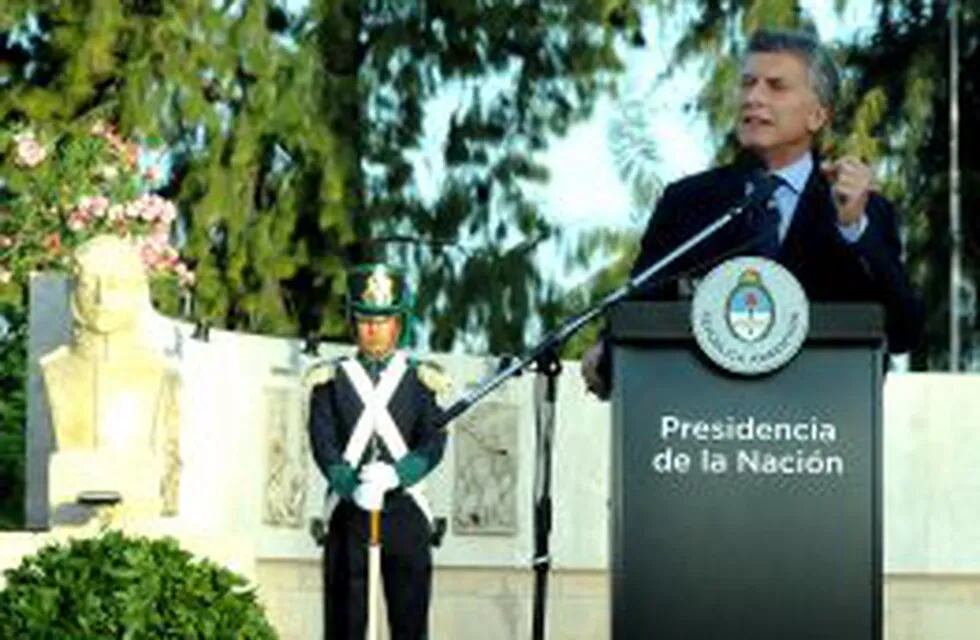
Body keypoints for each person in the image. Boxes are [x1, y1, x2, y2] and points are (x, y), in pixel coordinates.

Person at [581, 28, 923, 397]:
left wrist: (853, 227)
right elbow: (641, 310)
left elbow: (903, 330)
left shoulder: (862, 210)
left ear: (817, 115)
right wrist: (607, 354)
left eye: (775, 86)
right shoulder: (689, 202)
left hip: (820, 428)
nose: (753, 98)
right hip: (704, 422)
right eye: (747, 84)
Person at [307, 263, 449, 640]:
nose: (373, 328)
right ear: (354, 322)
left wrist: (400, 474)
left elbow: (434, 440)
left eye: (383, 319)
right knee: (344, 625)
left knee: (409, 624)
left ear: (398, 323)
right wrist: (347, 482)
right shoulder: (330, 378)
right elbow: (322, 440)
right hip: (349, 511)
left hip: (404, 511)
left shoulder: (421, 379)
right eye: (365, 319)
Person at [40, 234, 181, 520]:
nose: (101, 298)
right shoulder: (53, 368)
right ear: (73, 291)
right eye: (89, 284)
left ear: (138, 291)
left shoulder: (161, 372)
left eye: (115, 284)